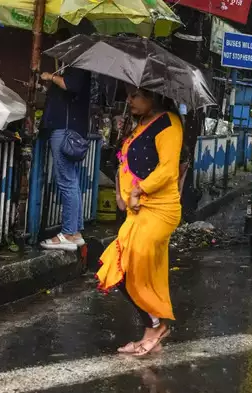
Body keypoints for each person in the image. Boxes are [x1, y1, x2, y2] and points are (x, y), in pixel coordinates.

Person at [97, 87, 183, 357]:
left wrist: (137, 190)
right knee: (120, 268)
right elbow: (123, 163)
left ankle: (155, 328)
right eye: (129, 95)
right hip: (137, 212)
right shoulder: (138, 126)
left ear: (154, 96)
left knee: (132, 266)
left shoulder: (169, 123)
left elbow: (167, 171)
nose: (129, 100)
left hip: (159, 210)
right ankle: (153, 327)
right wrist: (121, 194)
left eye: (136, 95)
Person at [38, 65, 91, 251]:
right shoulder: (82, 68)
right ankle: (75, 233)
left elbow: (70, 85)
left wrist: (50, 77)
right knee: (72, 181)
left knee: (67, 181)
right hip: (72, 130)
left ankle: (68, 233)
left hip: (65, 131)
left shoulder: (78, 67)